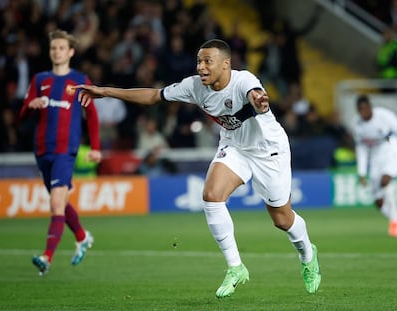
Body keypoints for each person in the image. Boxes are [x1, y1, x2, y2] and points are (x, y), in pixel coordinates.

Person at [74, 39, 321, 297]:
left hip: (268, 149)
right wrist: (104, 91)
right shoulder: (193, 86)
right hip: (235, 146)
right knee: (211, 196)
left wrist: (259, 101)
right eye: (199, 61)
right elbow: (152, 96)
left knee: (281, 219)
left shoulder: (243, 80)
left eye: (207, 62)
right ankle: (236, 267)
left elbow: (255, 94)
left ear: (226, 65)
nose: (201, 67)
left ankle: (307, 253)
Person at [19, 29, 102, 275]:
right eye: (53, 48)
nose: (57, 52)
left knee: (55, 203)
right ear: (50, 51)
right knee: (61, 202)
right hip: (42, 150)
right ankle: (81, 235)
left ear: (71, 52)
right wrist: (30, 106)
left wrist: (96, 148)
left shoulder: (80, 81)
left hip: (66, 151)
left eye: (62, 48)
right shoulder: (39, 80)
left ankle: (46, 257)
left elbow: (92, 115)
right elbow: (22, 114)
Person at [352, 95, 397, 237]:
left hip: (392, 149)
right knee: (379, 202)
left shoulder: (385, 116)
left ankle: (395, 222)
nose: (362, 112)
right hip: (375, 157)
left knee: (385, 179)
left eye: (364, 108)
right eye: (359, 110)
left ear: (370, 107)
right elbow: (361, 149)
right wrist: (362, 173)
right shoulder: (358, 125)